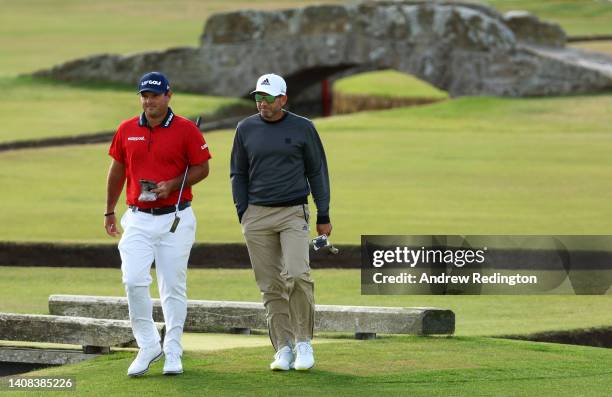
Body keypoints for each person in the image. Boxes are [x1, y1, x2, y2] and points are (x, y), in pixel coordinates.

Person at [104, 71, 211, 377]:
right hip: (137, 218)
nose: (149, 101)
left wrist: (172, 184)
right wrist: (109, 210)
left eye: (155, 95)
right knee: (133, 280)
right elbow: (117, 171)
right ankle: (149, 344)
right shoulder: (126, 129)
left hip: (175, 217)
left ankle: (173, 348)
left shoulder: (187, 129)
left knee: (172, 287)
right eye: (144, 96)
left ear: (168, 96)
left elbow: (202, 168)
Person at [230, 73, 332, 371]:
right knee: (270, 285)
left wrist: (323, 214)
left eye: (269, 98)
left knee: (298, 275)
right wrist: (243, 212)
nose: (262, 103)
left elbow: (317, 172)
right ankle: (283, 348)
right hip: (257, 215)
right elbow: (238, 173)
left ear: (283, 99)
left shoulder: (303, 128)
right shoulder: (245, 128)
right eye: (259, 97)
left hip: (292, 213)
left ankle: (303, 343)